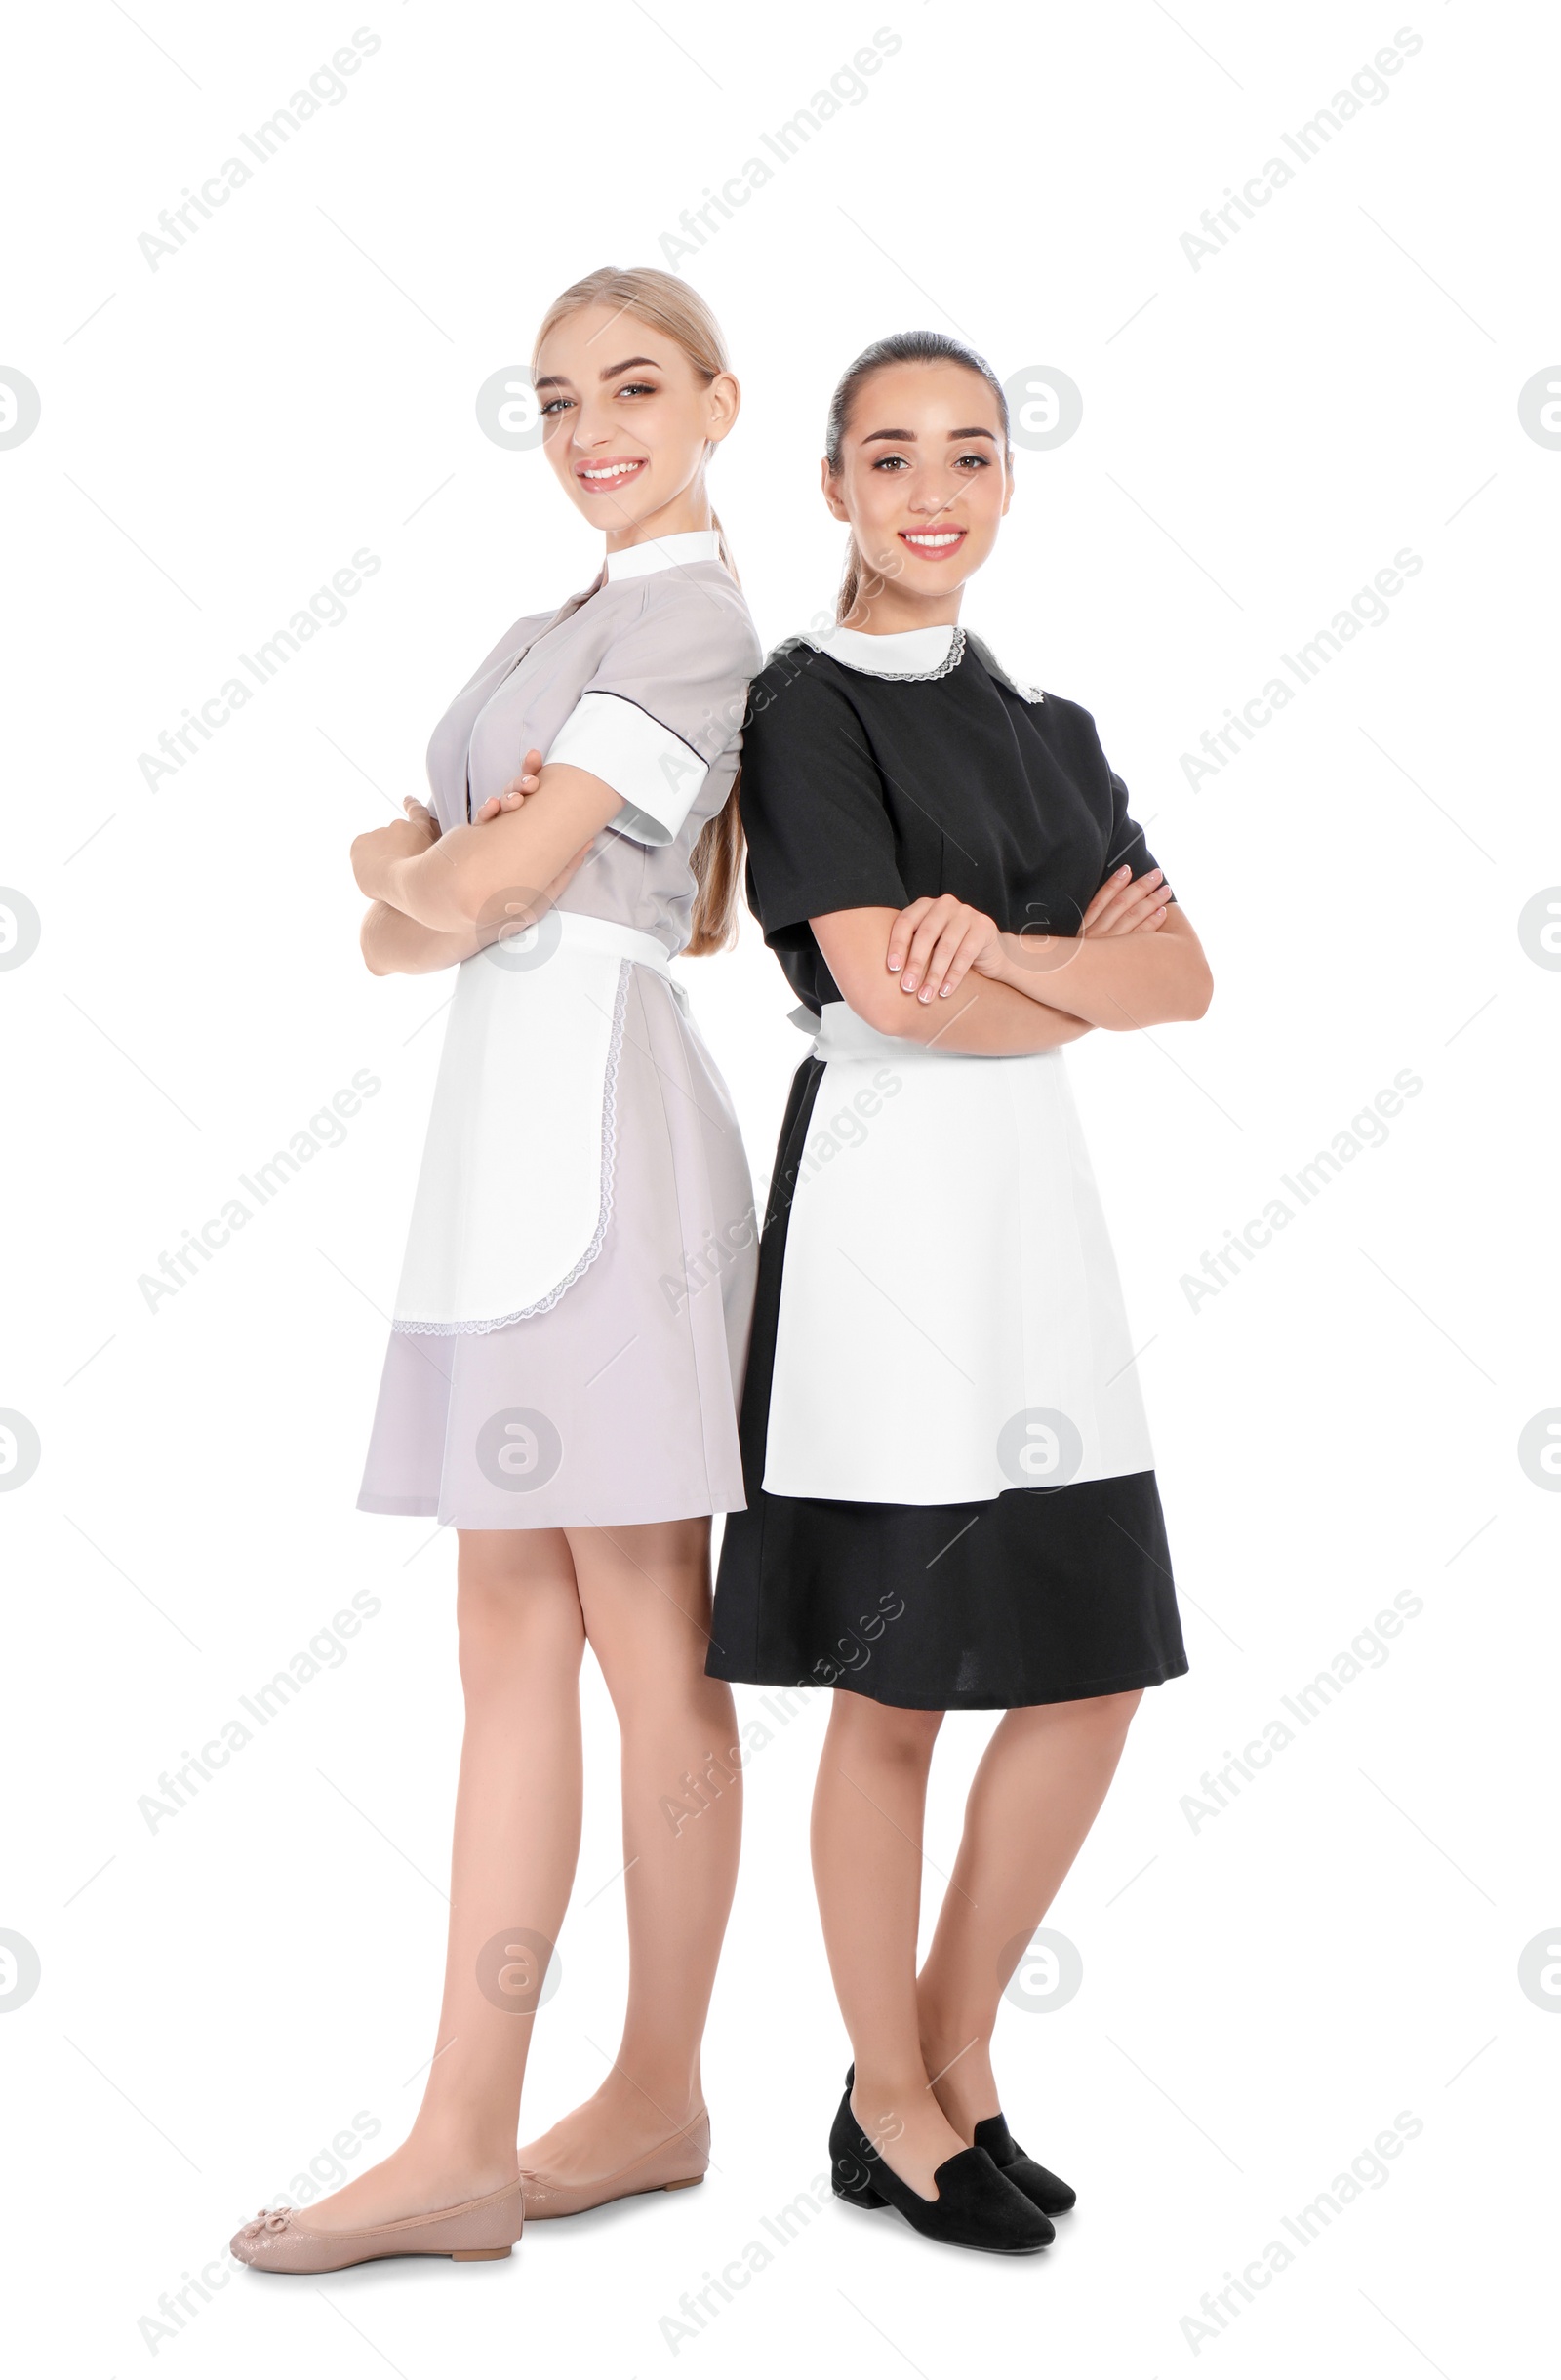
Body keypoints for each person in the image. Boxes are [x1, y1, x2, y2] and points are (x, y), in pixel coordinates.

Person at [230, 267, 762, 2276]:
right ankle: (462, 2130)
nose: (589, 425)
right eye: (555, 397)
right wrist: (424, 883)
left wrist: (426, 880)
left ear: (718, 397)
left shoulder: (691, 617)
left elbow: (478, 878)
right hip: (495, 1149)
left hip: (602, 1146)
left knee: (651, 1635)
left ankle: (647, 2086)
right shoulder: (549, 625)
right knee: (500, 1647)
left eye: (631, 386)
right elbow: (414, 885)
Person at [706, 329, 1213, 2256]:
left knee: (1089, 1658)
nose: (934, 486)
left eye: (972, 453)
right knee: (896, 1681)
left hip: (1038, 1223)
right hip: (886, 1220)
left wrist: (989, 950)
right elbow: (873, 988)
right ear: (830, 484)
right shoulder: (800, 702)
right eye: (891, 452)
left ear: (1009, 484)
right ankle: (889, 2088)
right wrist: (1041, 966)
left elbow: (1181, 983)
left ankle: (946, 2054)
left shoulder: (1053, 729)